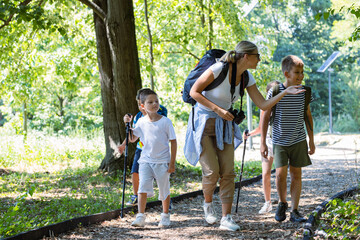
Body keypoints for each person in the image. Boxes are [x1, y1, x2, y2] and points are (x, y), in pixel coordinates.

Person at [184, 40, 305, 231]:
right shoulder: (218, 69)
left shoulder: (247, 77)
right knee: (212, 171)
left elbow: (263, 105)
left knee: (229, 172)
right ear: (247, 57)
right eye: (258, 56)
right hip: (204, 123)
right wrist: (218, 109)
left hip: (225, 125)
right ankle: (208, 204)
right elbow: (194, 92)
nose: (259, 60)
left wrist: (286, 92)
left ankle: (226, 218)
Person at [260, 55, 315, 223]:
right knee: (280, 175)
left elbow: (308, 116)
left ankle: (295, 210)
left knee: (296, 174)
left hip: (298, 139)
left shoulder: (305, 92)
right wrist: (263, 142)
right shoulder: (275, 91)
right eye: (297, 72)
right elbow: (265, 116)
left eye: (302, 72)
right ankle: (282, 203)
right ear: (286, 73)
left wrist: (311, 139)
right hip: (279, 141)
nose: (301, 76)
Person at [123, 88, 177, 228]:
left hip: (162, 161)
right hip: (146, 160)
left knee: (164, 189)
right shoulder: (140, 122)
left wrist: (172, 163)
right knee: (142, 188)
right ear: (142, 106)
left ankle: (165, 215)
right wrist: (127, 125)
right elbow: (133, 138)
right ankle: (140, 216)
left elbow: (173, 141)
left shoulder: (166, 122)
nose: (154, 104)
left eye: (156, 101)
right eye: (150, 102)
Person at [118, 88, 168, 206]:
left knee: (161, 177)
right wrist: (124, 140)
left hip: (157, 149)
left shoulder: (161, 110)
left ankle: (165, 199)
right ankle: (136, 195)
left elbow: (155, 122)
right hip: (142, 148)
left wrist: (146, 113)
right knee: (135, 171)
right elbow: (134, 134)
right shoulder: (138, 116)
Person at [243, 80, 281, 214]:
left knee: (279, 174)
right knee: (265, 174)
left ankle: (282, 203)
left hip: (280, 143)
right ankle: (267, 203)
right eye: (272, 92)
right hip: (268, 142)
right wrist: (250, 134)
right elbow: (260, 127)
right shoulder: (264, 106)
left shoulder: (284, 105)